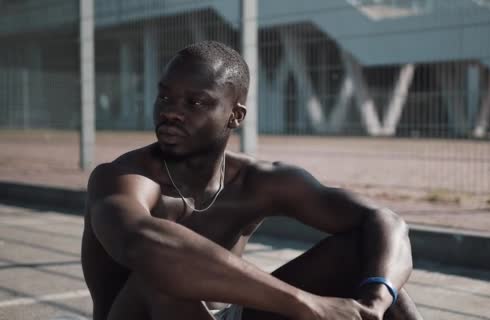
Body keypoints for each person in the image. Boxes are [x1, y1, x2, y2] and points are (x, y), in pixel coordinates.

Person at [81, 41, 423, 320]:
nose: (171, 110)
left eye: (196, 102)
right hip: (137, 313)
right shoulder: (121, 178)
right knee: (161, 277)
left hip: (226, 316)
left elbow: (385, 221)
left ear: (235, 115)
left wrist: (376, 299)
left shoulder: (257, 180)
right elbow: (141, 243)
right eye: (165, 97)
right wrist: (307, 304)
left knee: (365, 252)